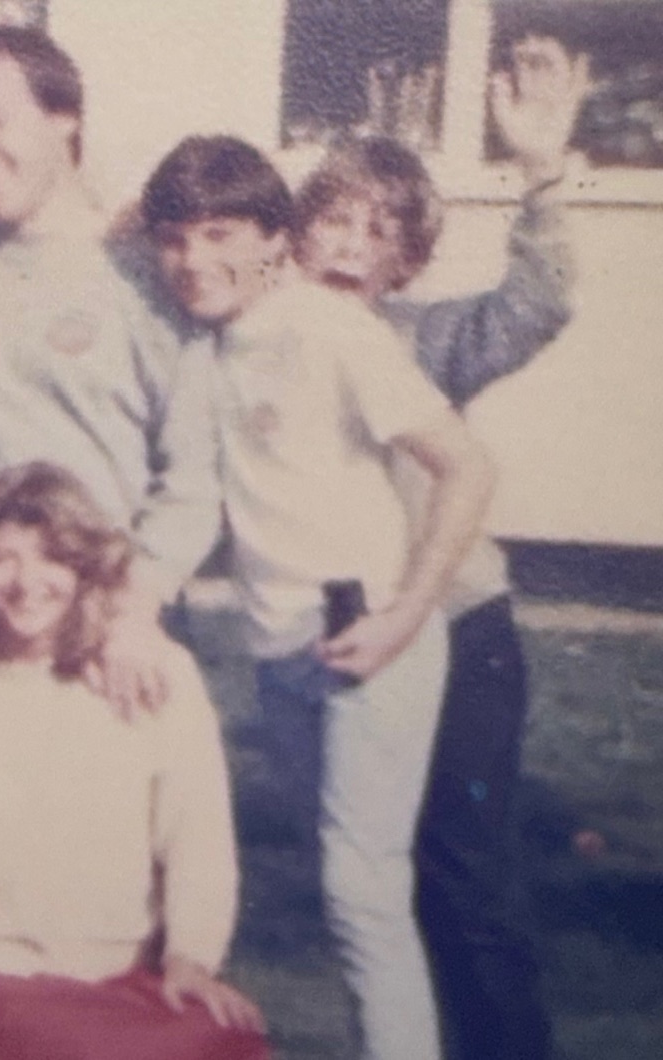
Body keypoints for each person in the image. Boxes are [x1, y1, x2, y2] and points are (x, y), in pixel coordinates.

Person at [140, 136, 495, 1060]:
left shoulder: (330, 329)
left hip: (366, 635)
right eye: (174, 238)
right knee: (350, 894)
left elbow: (465, 466)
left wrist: (407, 613)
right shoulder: (211, 346)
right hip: (279, 651)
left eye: (220, 234)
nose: (193, 259)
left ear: (275, 237)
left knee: (359, 891)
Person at [291, 33, 588, 1060]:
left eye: (377, 231)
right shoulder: (266, 341)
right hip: (346, 644)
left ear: (404, 263)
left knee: (464, 880)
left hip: (458, 635)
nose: (348, 244)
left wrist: (541, 171)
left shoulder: (420, 341)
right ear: (297, 235)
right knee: (375, 885)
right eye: (332, 219)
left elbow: (537, 304)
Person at [0, 462, 268, 1060]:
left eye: (52, 558)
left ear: (86, 570)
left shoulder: (158, 676)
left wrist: (190, 958)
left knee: (231, 1037)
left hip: (116, 978)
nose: (27, 582)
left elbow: (197, 836)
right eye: (2, 558)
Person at [0, 22, 222, 711]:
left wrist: (134, 610)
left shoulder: (146, 274)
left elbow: (195, 478)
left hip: (110, 631)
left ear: (64, 116)